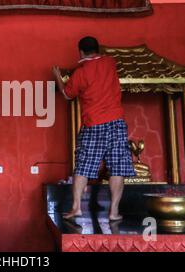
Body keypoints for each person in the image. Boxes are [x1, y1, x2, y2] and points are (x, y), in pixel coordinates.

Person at [52, 36, 136, 221]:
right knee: (118, 167)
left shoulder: (80, 73)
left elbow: (67, 95)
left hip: (93, 124)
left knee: (83, 166)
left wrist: (58, 76)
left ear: (80, 51)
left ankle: (76, 208)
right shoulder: (110, 63)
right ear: (97, 49)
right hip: (116, 122)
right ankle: (113, 212)